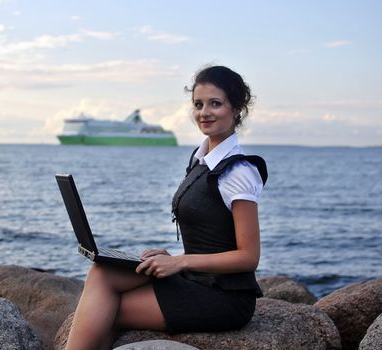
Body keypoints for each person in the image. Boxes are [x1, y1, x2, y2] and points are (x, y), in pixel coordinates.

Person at [65, 65, 268, 350]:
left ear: (236, 109)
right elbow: (209, 237)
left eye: (215, 103)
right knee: (102, 272)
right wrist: (171, 257)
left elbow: (248, 257)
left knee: (106, 309)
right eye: (198, 104)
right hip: (193, 279)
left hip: (224, 297)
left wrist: (180, 262)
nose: (204, 112)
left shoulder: (239, 171)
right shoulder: (200, 160)